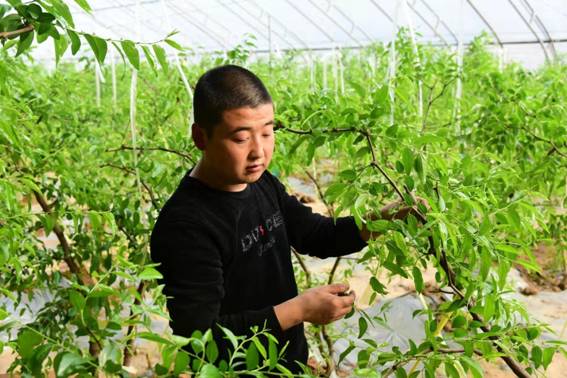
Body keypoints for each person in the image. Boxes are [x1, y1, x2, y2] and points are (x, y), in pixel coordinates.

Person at [150, 64, 419, 374]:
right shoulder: (186, 227)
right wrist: (301, 309)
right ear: (201, 137)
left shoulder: (262, 183)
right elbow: (202, 341)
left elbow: (317, 234)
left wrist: (386, 218)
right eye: (241, 139)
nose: (259, 152)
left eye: (267, 132)